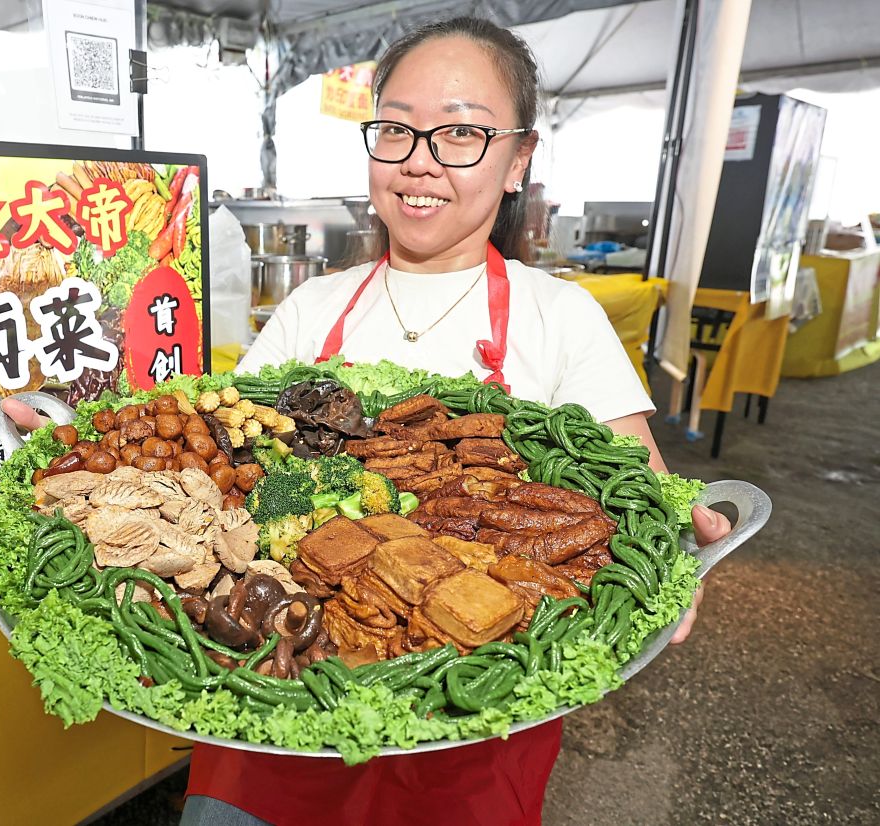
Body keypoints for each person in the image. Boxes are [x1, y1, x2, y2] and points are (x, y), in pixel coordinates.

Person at [176, 15, 727, 826]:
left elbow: (639, 485)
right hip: (275, 709)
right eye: (396, 129)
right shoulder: (311, 308)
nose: (420, 162)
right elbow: (219, 456)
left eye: (461, 133)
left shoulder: (559, 317)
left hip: (469, 732)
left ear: (518, 159)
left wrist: (677, 547)